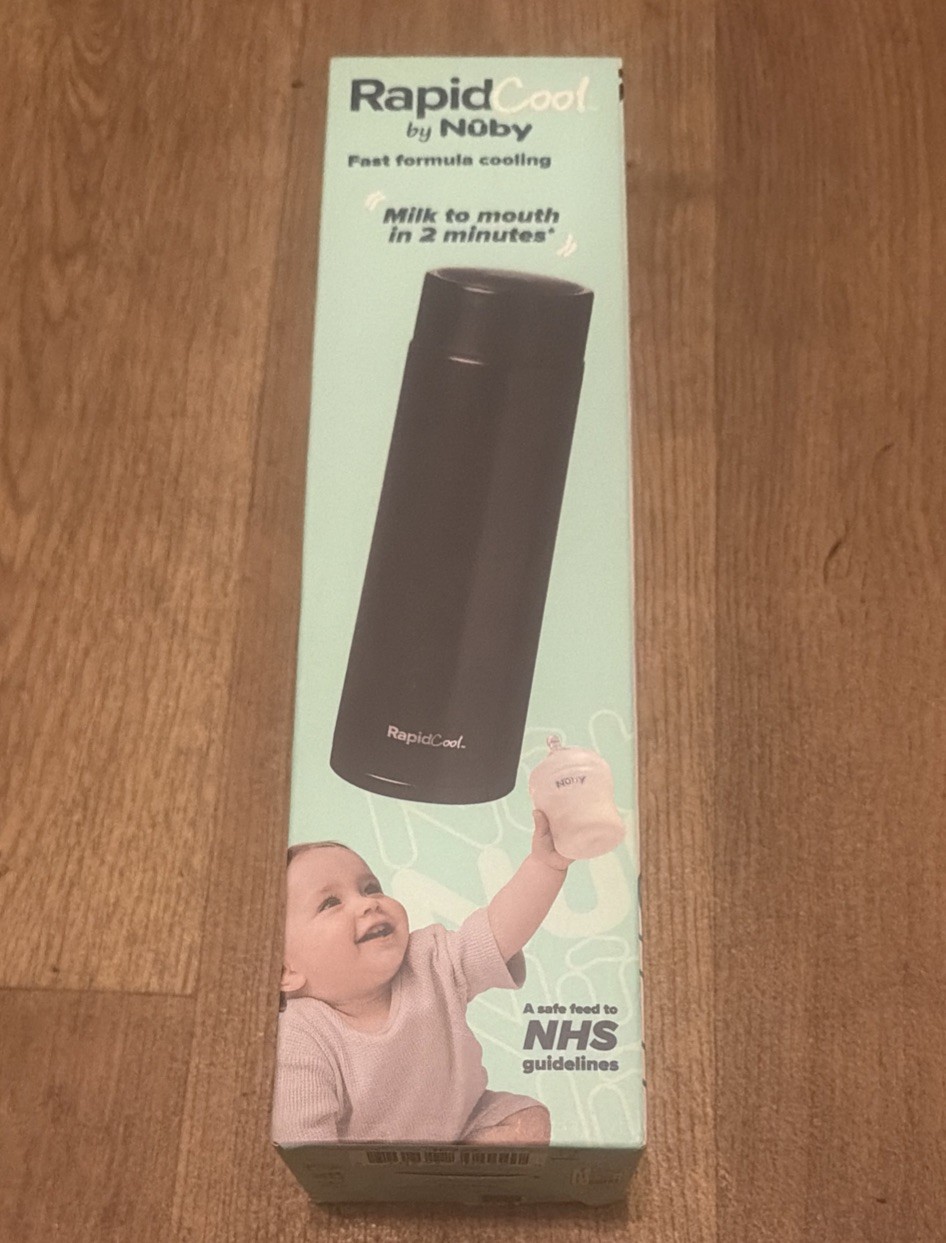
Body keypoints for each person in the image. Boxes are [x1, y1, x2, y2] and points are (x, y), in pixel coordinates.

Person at [272, 811, 571, 1145]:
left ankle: (450, 1168)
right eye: (330, 903)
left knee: (529, 1123)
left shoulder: (429, 961)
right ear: (286, 971)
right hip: (369, 1158)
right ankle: (424, 1175)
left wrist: (546, 865)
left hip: (461, 1124)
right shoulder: (301, 1035)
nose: (367, 904)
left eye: (371, 888)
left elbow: (498, 933)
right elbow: (305, 1142)